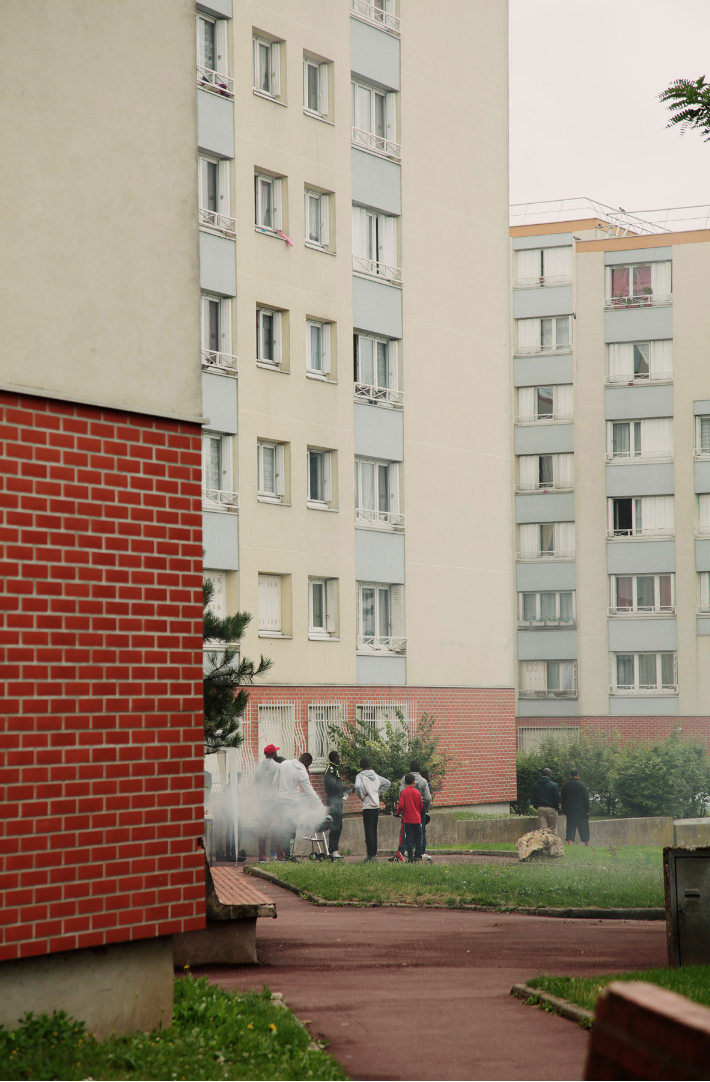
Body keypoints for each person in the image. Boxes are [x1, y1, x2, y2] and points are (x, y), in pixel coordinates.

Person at [272, 752, 323, 859]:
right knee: (291, 830)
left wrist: (276, 797)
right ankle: (290, 855)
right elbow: (310, 791)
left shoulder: (284, 764)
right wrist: (321, 806)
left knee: (283, 828)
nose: (307, 768)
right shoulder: (301, 771)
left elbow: (274, 782)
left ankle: (285, 854)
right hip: (292, 803)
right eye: (308, 765)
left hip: (280, 802)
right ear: (305, 761)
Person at [354, 757, 391, 862]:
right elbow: (387, 783)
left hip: (367, 806)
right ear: (369, 766)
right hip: (376, 806)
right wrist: (378, 794)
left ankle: (370, 855)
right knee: (374, 831)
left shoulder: (360, 776)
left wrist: (361, 796)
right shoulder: (375, 775)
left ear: (361, 766)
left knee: (368, 831)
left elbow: (357, 786)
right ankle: (374, 854)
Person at [397, 761, 432, 863]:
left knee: (406, 831)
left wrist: (401, 808)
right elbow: (428, 797)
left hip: (408, 806)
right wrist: (426, 808)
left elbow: (401, 793)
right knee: (421, 831)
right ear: (420, 769)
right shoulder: (423, 781)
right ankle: (420, 853)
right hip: (420, 806)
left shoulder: (404, 778)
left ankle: (404, 852)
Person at [254, 744, 284, 862]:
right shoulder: (278, 767)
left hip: (263, 802)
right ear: (273, 754)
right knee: (277, 828)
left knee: (263, 829)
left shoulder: (258, 768)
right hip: (274, 801)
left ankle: (262, 856)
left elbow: (256, 786)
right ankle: (280, 856)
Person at [323, 751, 349, 860]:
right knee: (335, 826)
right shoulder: (330, 770)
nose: (340, 759)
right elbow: (334, 786)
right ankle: (332, 850)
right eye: (338, 757)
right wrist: (346, 787)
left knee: (338, 826)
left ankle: (334, 849)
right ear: (334, 758)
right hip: (333, 801)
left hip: (338, 800)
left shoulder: (335, 769)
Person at [396, 773, 424, 862]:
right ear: (414, 782)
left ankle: (410, 857)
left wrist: (397, 813)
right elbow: (421, 806)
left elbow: (401, 805)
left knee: (409, 838)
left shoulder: (403, 792)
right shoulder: (417, 792)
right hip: (417, 819)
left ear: (405, 782)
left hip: (407, 819)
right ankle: (418, 856)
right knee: (418, 838)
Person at [561, 768, 591, 846]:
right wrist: (587, 810)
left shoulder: (565, 786)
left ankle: (570, 845)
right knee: (584, 828)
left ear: (570, 775)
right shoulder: (582, 785)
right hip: (581, 811)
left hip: (570, 811)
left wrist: (565, 810)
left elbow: (562, 800)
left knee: (570, 828)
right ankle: (587, 845)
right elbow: (586, 799)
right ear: (578, 775)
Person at [531, 766, 560, 834]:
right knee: (552, 828)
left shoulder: (536, 785)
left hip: (540, 808)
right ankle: (553, 843)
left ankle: (542, 843)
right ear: (550, 774)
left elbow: (533, 798)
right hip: (551, 808)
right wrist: (556, 808)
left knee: (542, 829)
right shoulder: (553, 785)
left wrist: (537, 807)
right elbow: (556, 798)